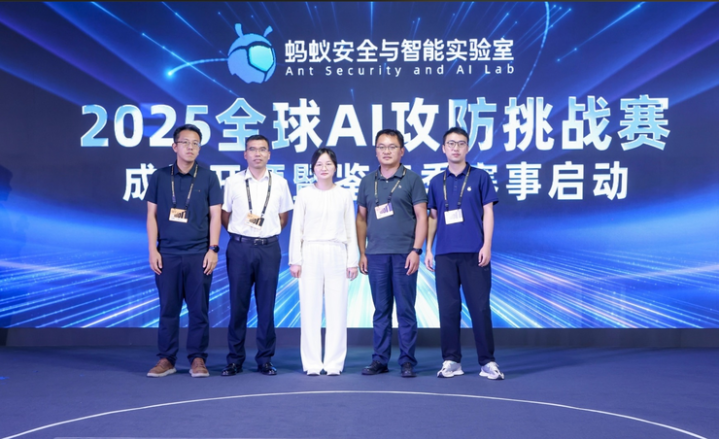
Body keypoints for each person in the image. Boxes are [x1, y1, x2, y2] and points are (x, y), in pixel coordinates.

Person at [425, 127, 504, 380]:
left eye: (461, 143)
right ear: (443, 148)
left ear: (467, 148)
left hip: (474, 252)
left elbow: (488, 212)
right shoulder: (436, 181)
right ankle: (451, 360)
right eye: (451, 143)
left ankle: (487, 362)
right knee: (448, 309)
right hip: (445, 254)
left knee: (480, 308)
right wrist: (428, 249)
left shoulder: (480, 177)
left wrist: (487, 245)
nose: (456, 148)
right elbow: (433, 217)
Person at [145, 124, 222, 378]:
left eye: (196, 143)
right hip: (167, 254)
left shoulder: (208, 177)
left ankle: (198, 358)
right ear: (174, 146)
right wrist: (153, 250)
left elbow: (215, 216)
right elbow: (151, 215)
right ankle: (166, 359)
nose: (191, 147)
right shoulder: (159, 176)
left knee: (199, 310)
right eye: (186, 142)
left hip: (198, 254)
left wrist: (213, 249)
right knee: (168, 308)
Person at [356, 128, 428, 378]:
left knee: (406, 310)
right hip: (375, 255)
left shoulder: (412, 180)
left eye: (392, 146)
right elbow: (361, 219)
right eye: (381, 146)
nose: (386, 151)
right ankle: (380, 360)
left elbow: (422, 217)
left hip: (404, 254)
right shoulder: (367, 181)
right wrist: (362, 252)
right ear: (376, 151)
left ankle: (407, 361)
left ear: (402, 151)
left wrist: (416, 250)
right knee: (381, 311)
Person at [221, 134, 293, 376]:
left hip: (269, 249)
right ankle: (234, 360)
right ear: (245, 154)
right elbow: (225, 216)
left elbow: (283, 218)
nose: (257, 154)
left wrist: (264, 233)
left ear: (269, 154)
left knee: (266, 306)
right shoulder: (233, 182)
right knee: (238, 305)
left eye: (262, 149)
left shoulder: (280, 183)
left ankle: (265, 359)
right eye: (252, 149)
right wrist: (243, 234)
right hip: (239, 249)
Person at [288, 148, 359, 376]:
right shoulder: (304, 194)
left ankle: (334, 363)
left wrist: (352, 261)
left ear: (335, 167)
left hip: (337, 251)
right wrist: (295, 260)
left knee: (337, 310)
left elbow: (350, 229)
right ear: (313, 168)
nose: (324, 168)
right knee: (310, 309)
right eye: (319, 164)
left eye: (328, 163)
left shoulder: (344, 194)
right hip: (310, 252)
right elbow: (296, 229)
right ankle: (312, 363)